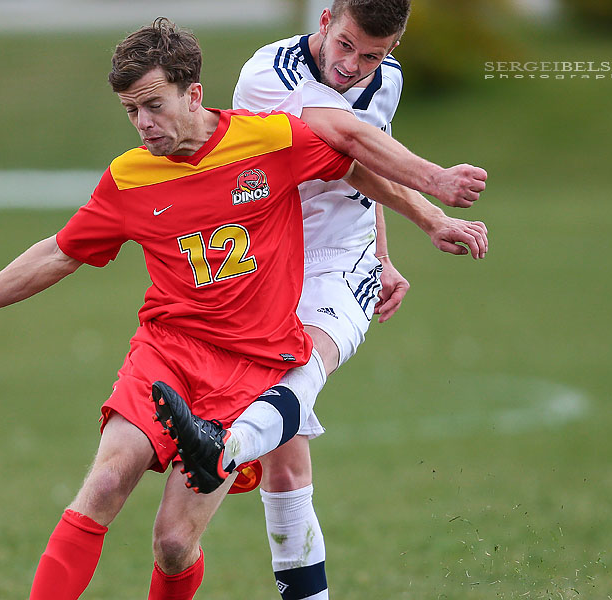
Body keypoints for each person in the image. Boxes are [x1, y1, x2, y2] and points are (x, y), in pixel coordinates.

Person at [0, 17, 484, 599]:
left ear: (194, 93)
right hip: (166, 356)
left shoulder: (269, 139)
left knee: (173, 543)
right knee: (104, 484)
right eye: (131, 111)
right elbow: (59, 253)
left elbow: (356, 165)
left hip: (250, 372)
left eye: (154, 105)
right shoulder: (129, 178)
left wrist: (427, 221)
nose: (143, 125)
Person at [151, 2, 488, 599]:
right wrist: (433, 194)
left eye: (374, 56)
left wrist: (383, 255)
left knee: (304, 367)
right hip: (269, 267)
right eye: (347, 45)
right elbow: (345, 148)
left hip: (344, 263)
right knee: (286, 460)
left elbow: (367, 161)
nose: (354, 66)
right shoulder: (268, 74)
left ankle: (224, 447)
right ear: (328, 19)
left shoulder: (388, 81)